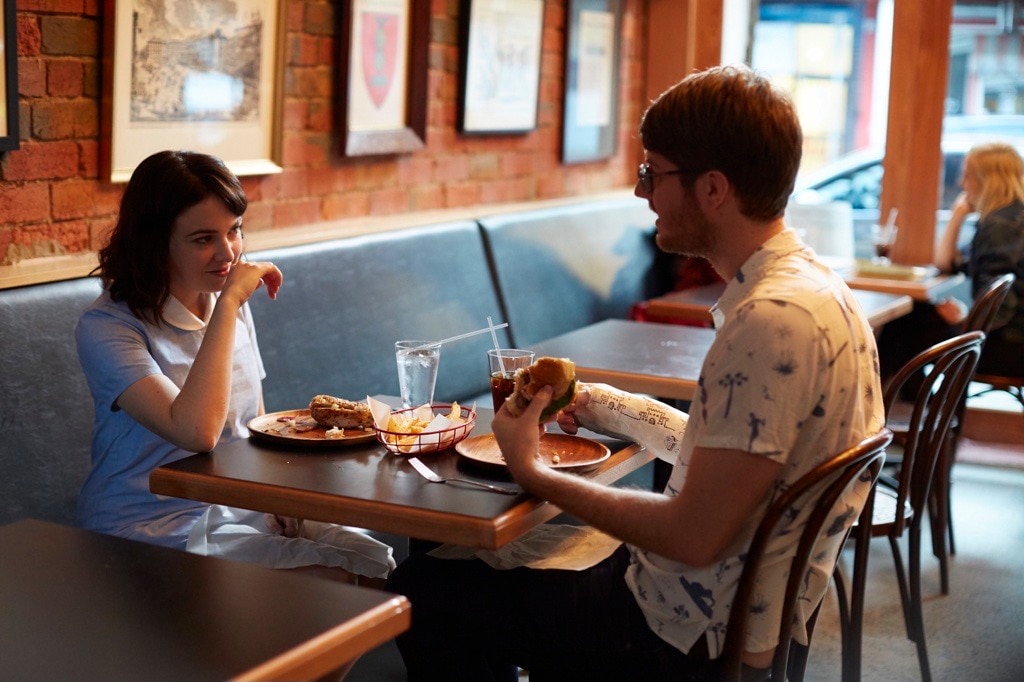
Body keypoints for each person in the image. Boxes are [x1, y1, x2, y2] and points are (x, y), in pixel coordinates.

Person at [386, 65, 884, 681]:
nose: (640, 192)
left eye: (652, 173)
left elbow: (692, 536)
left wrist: (532, 471)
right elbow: (731, 457)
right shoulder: (815, 291)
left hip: (681, 636)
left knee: (423, 586)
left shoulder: (769, 322)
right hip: (745, 616)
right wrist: (607, 404)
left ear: (712, 189)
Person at [76, 150, 394, 582]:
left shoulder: (227, 302)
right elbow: (197, 431)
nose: (228, 253)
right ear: (156, 242)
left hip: (232, 502)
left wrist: (276, 495)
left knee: (369, 558)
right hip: (146, 523)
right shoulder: (108, 327)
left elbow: (255, 424)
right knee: (330, 579)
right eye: (203, 238)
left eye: (235, 230)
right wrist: (228, 305)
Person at [878, 142, 1024, 384]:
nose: (961, 184)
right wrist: (957, 215)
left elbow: (1002, 305)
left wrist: (964, 320)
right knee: (914, 320)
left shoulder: (999, 227)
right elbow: (945, 263)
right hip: (1012, 343)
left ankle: (880, 406)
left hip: (1006, 348)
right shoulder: (1009, 220)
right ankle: (918, 412)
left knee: (906, 323)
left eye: (967, 176)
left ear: (987, 181)